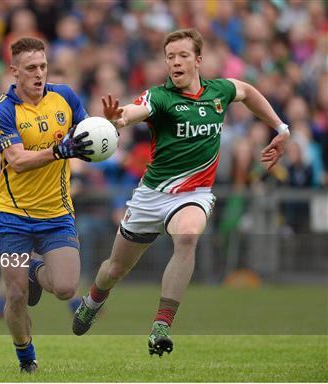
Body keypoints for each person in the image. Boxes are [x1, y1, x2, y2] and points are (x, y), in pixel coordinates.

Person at [72, 28, 289, 357]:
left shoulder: (219, 91)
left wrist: (281, 128)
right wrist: (118, 119)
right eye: (170, 57)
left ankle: (161, 324)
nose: (175, 62)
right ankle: (93, 301)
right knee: (115, 268)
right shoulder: (160, 96)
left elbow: (247, 91)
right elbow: (135, 110)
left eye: (183, 55)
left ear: (198, 60)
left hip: (195, 194)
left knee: (187, 235)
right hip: (152, 195)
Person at [0, 37, 92, 373]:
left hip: (57, 213)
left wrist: (113, 126)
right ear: (14, 71)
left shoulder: (66, 97)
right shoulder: (3, 108)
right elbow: (16, 160)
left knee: (65, 289)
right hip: (13, 215)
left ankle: (33, 269)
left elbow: (88, 135)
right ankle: (26, 358)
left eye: (43, 66)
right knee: (16, 295)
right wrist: (59, 151)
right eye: (31, 68)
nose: (39, 73)